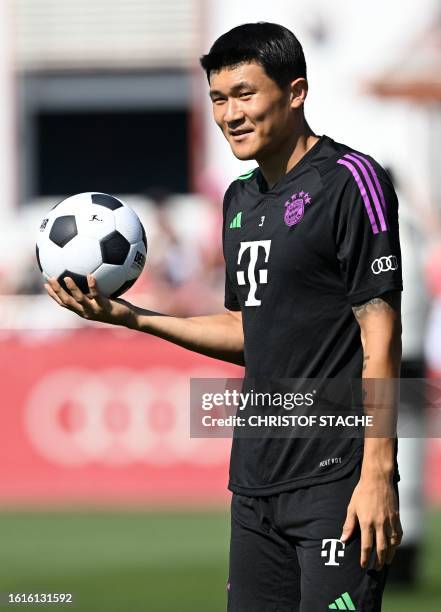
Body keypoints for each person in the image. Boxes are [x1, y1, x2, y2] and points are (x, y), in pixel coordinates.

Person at [44, 22, 403, 612]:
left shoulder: (350, 181)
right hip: (256, 485)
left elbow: (381, 340)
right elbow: (246, 331)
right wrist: (134, 317)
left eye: (245, 94)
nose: (230, 113)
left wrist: (376, 475)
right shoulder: (239, 199)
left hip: (336, 481)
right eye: (218, 98)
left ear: (296, 92)